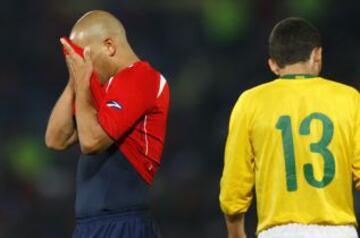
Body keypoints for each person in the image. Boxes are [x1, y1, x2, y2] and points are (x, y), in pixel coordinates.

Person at [219, 17, 360, 238]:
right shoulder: (350, 99)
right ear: (317, 55)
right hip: (338, 231)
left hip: (278, 231)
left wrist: (236, 234)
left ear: (273, 64)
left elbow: (233, 187)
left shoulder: (251, 102)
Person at [45, 10, 169, 238]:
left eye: (85, 56)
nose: (83, 65)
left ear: (109, 46)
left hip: (124, 224)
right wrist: (75, 80)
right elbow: (55, 139)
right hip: (89, 226)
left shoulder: (143, 78)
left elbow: (92, 142)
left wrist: (83, 84)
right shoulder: (97, 88)